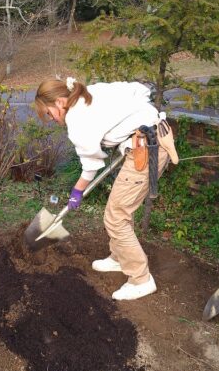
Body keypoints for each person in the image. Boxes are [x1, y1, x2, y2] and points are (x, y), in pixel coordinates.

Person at [34, 77, 179, 300]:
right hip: (149, 138)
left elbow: (91, 165)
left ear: (61, 102)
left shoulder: (77, 120)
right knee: (119, 210)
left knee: (116, 217)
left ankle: (141, 279)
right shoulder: (88, 93)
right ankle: (120, 257)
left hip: (147, 148)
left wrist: (77, 192)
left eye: (48, 113)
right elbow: (138, 91)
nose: (50, 119)